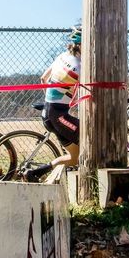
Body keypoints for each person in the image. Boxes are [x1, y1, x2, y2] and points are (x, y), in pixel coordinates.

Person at [23, 27, 82, 183]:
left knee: (74, 157)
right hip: (58, 115)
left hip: (50, 112)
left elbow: (43, 78)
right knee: (90, 137)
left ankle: (34, 173)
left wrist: (51, 103)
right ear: (82, 44)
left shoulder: (62, 56)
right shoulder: (80, 66)